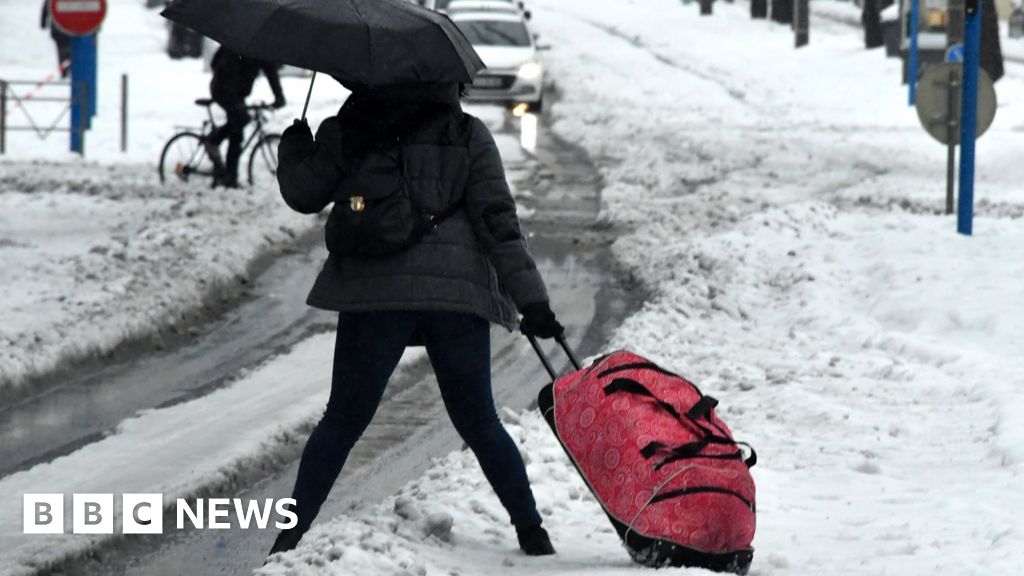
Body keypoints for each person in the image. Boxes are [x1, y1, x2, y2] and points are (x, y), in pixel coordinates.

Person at [268, 81, 563, 559]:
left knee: (342, 421)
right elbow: (499, 222)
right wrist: (533, 302)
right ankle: (533, 532)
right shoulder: (467, 135)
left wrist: (295, 145)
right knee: (480, 420)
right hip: (455, 295)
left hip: (373, 294)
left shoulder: (351, 128)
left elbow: (304, 194)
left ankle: (288, 537)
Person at [206, 46, 286, 187]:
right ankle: (213, 141)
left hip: (234, 93)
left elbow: (270, 71)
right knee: (242, 119)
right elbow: (219, 66)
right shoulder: (244, 45)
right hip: (223, 90)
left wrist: (279, 96)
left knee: (237, 134)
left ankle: (230, 178)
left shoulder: (253, 44)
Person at [40, 0, 71, 78]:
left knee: (61, 50)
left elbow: (46, 8)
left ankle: (64, 70)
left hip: (57, 27)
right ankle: (68, 69)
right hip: (70, 27)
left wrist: (43, 23)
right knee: (70, 49)